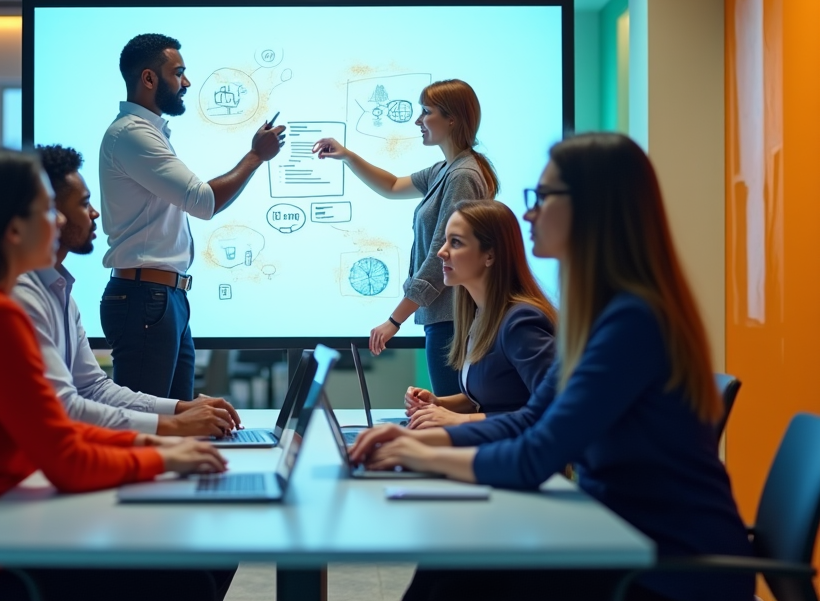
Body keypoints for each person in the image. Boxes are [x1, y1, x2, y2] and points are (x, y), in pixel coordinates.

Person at [349, 133, 753, 601]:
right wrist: (418, 437)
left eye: (542, 198)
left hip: (667, 568)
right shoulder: (604, 313)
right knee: (453, 565)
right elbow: (530, 417)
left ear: (592, 207)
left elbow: (535, 454)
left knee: (458, 574)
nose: (528, 213)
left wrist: (415, 453)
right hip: (616, 538)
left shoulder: (632, 321)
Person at [0, 148, 233, 601]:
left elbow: (59, 427)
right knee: (183, 578)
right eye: (48, 208)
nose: (60, 221)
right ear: (13, 228)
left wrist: (152, 442)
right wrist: (164, 455)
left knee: (195, 562)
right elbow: (67, 458)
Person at [100, 33, 286, 400]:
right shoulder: (132, 135)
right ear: (150, 79)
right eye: (178, 73)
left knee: (178, 421)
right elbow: (204, 201)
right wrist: (256, 156)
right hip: (146, 297)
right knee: (148, 426)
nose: (186, 83)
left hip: (162, 296)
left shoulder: (148, 133)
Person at [13, 144, 241, 437]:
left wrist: (181, 410)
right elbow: (64, 408)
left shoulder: (59, 291)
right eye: (83, 204)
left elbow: (93, 388)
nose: (95, 213)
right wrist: (173, 425)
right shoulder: (22, 296)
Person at [312, 78, 498, 395]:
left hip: (454, 320)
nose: (417, 121)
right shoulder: (446, 170)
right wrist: (347, 156)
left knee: (451, 418)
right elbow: (392, 185)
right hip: (445, 317)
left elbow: (443, 255)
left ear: (452, 118)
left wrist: (394, 321)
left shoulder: (463, 176)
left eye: (426, 112)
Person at [402, 199, 555, 429]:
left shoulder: (521, 322)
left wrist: (460, 420)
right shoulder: (479, 315)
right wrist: (439, 403)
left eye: (455, 242)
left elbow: (554, 411)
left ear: (490, 256)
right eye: (445, 241)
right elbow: (495, 398)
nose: (441, 252)